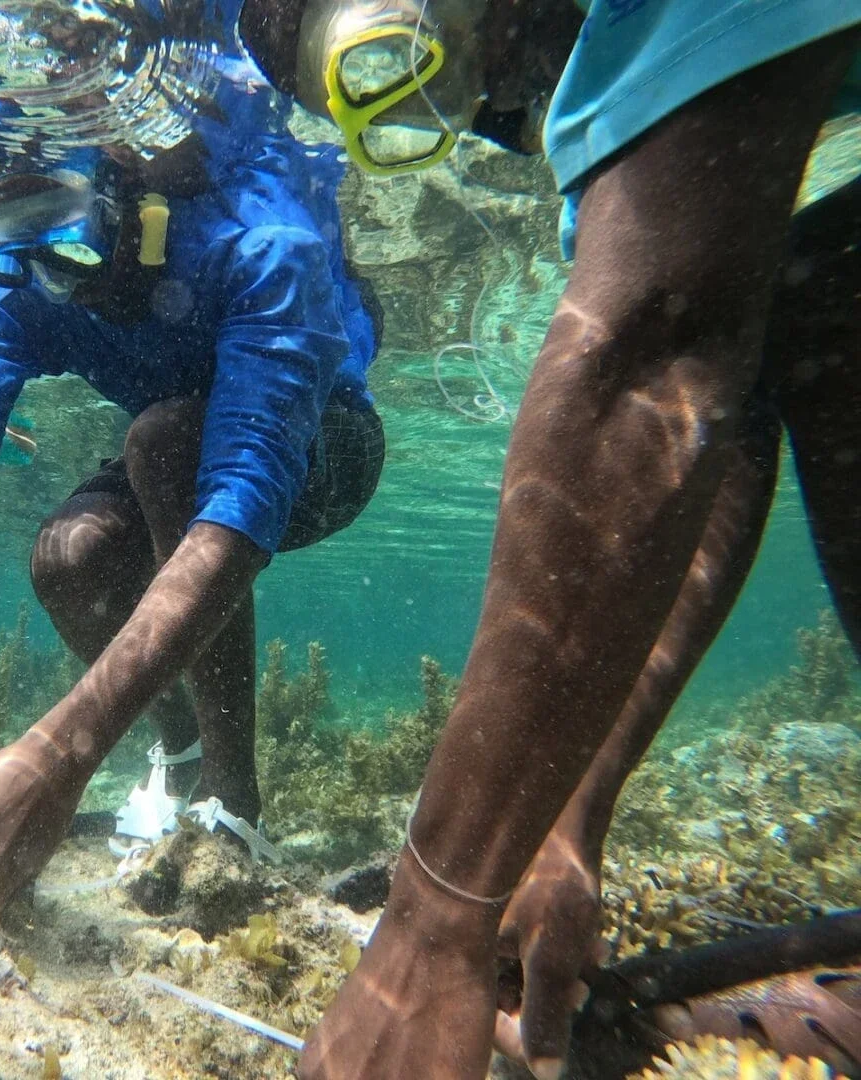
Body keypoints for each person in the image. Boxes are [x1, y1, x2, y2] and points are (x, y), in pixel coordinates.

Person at [232, 0, 861, 1075]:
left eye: (401, 61)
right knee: (827, 317)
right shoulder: (622, 96)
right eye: (394, 123)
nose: (471, 111)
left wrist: (430, 934)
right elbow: (714, 420)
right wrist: (561, 818)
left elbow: (652, 349)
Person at [0, 25, 386, 886]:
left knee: (163, 445)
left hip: (326, 443)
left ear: (135, 207)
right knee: (70, 556)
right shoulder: (16, 268)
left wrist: (63, 751)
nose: (55, 272)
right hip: (182, 447)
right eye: (21, 239)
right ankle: (182, 753)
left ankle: (235, 807)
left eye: (71, 239)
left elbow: (240, 499)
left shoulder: (264, 243)